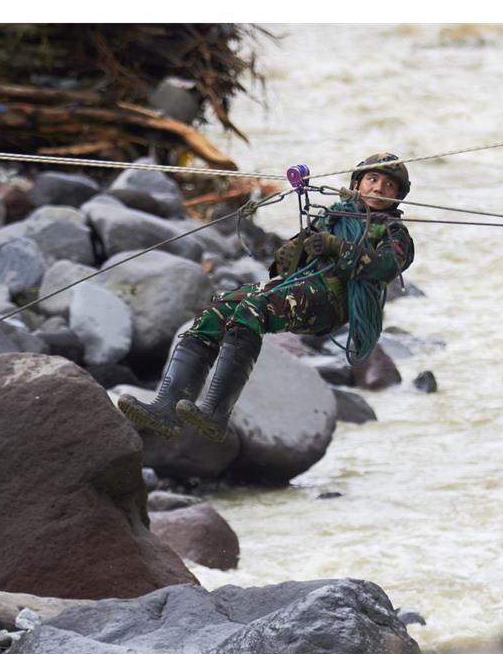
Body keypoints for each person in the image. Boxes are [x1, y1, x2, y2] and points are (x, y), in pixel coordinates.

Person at [118, 152, 415, 443]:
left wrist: (336, 247)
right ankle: (166, 409)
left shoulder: (394, 234)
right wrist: (292, 253)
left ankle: (215, 413)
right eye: (372, 179)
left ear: (398, 196)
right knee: (217, 309)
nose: (378, 187)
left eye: (389, 185)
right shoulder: (331, 218)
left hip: (331, 305)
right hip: (300, 289)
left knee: (253, 309)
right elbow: (285, 266)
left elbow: (384, 266)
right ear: (357, 183)